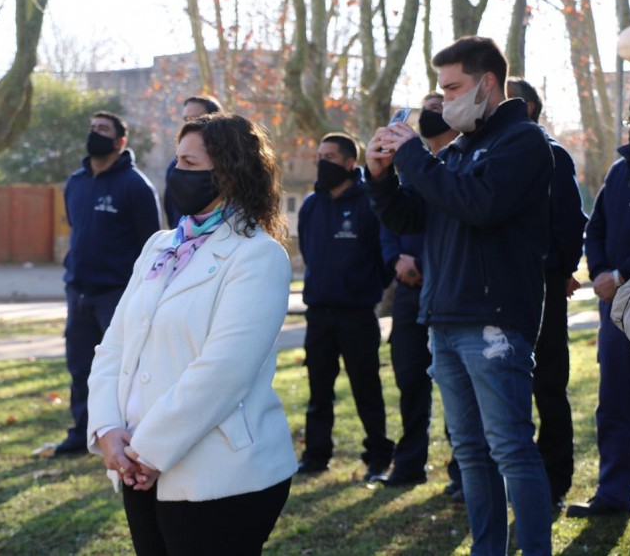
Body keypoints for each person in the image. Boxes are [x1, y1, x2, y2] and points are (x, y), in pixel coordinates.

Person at [365, 36, 553, 554]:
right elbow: (411, 218)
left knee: (511, 449)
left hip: (493, 321)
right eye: (440, 89)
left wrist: (414, 158)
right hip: (443, 318)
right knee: (470, 453)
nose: (444, 100)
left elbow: (481, 204)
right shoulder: (461, 146)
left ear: (487, 83)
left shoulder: (524, 142)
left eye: (453, 88)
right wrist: (380, 177)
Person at [87, 113, 296, 556]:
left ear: (228, 172)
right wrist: (107, 429)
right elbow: (116, 345)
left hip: (220, 477)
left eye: (189, 162)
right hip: (137, 470)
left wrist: (147, 450)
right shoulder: (159, 246)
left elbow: (223, 372)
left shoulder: (258, 256)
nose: (176, 173)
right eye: (177, 161)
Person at [567, 91, 630, 518]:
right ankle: (614, 494)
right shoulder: (620, 171)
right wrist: (602, 272)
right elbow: (595, 226)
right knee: (615, 401)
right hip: (614, 307)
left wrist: (621, 276)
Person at [54, 111, 161, 457]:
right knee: (81, 367)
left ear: (120, 142)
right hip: (79, 292)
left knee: (124, 369)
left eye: (103, 130)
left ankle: (129, 434)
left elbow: (151, 245)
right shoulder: (75, 183)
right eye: (92, 128)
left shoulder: (136, 186)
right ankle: (83, 433)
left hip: (117, 295)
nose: (94, 134)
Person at [507, 77, 588, 510]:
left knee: (549, 388)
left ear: (532, 106)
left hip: (543, 290)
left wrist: (559, 273)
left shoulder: (553, 154)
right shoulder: (491, 152)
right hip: (500, 290)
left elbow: (571, 221)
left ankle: (554, 483)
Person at [296, 132, 394, 482]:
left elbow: (385, 257)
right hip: (319, 313)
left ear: (351, 163)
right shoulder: (310, 205)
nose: (323, 162)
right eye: (319, 155)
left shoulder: (369, 201)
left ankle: (379, 456)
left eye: (331, 157)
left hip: (357, 313)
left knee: (366, 388)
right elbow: (309, 252)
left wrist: (364, 287)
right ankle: (316, 455)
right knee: (318, 391)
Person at [378, 93, 458, 488]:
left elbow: (452, 224)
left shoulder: (457, 164)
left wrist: (424, 266)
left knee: (456, 384)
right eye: (427, 107)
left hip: (446, 285)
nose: (431, 114)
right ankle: (410, 464)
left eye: (440, 107)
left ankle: (463, 470)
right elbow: (391, 217)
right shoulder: (408, 164)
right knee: (410, 378)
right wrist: (397, 260)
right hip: (407, 290)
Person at [164, 95, 223, 228]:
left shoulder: (232, 165)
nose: (190, 123)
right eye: (186, 119)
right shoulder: (174, 167)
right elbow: (171, 211)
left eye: (196, 118)